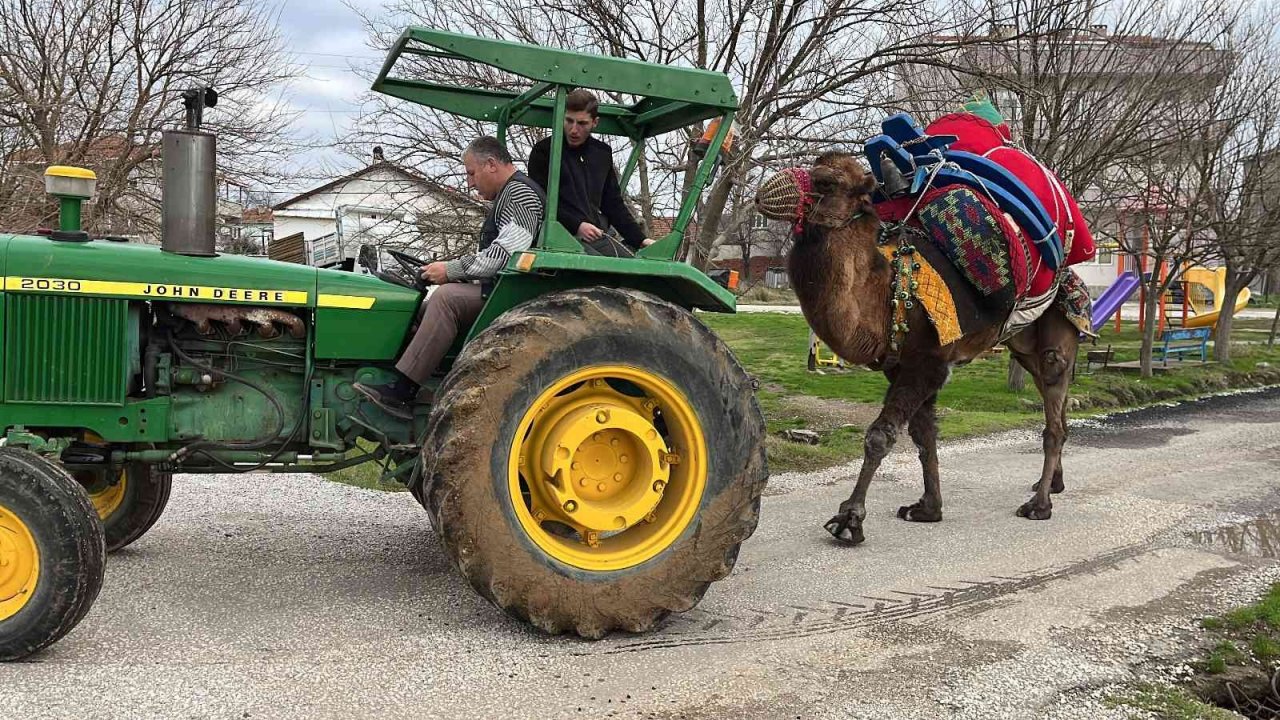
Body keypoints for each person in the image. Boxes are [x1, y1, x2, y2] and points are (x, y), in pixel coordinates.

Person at [354, 136, 545, 419]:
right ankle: (419, 373)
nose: (469, 183)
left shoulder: (519, 194)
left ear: (491, 164)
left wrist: (451, 270)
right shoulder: (508, 195)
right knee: (425, 304)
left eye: (471, 173)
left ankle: (403, 391)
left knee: (446, 299)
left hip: (515, 295)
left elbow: (506, 254)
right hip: (502, 288)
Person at [528, 89, 651, 255]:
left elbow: (613, 203)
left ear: (595, 122)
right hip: (556, 235)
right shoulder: (544, 151)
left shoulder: (601, 153)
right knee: (596, 269)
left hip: (593, 235)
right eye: (569, 121)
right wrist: (577, 225)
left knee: (632, 268)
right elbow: (540, 199)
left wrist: (640, 239)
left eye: (582, 123)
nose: (573, 130)